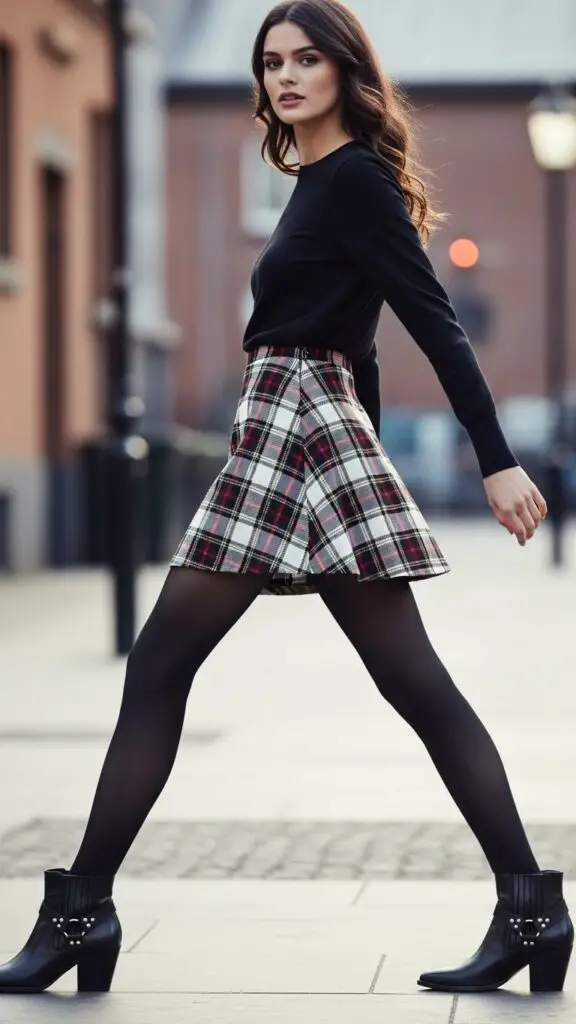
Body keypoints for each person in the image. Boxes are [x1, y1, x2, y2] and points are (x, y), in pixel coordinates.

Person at [0, 0, 572, 997]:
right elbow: (360, 346)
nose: (286, 77)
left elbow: (432, 320)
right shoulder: (317, 183)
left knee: (176, 663)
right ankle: (530, 909)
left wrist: (495, 456)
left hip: (297, 425)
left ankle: (80, 912)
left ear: (348, 71)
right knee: (400, 680)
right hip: (296, 424)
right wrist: (367, 463)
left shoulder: (352, 182)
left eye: (308, 59)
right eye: (272, 62)